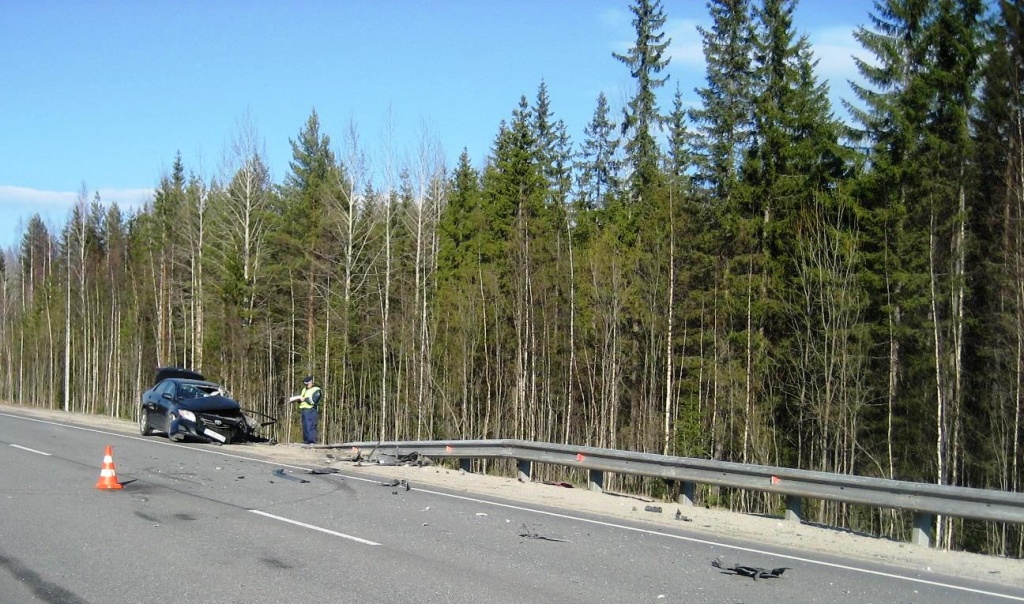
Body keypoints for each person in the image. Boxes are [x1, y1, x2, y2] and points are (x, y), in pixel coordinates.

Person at [288, 375, 322, 444]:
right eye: (305, 384)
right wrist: (298, 400)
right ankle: (306, 440)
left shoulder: (316, 390)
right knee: (305, 426)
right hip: (304, 409)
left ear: (311, 382)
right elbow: (302, 399)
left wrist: (305, 399)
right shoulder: (304, 389)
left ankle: (312, 441)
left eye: (307, 384)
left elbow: (314, 401)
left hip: (311, 410)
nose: (306, 385)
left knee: (310, 425)